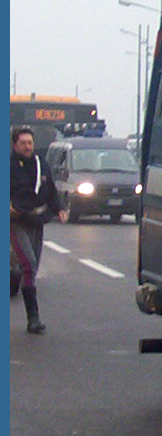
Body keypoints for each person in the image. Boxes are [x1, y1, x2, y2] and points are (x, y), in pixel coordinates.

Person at [10, 127, 67, 334]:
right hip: (16, 221)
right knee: (29, 264)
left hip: (37, 220)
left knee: (32, 267)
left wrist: (60, 208)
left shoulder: (40, 163)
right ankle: (33, 318)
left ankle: (32, 316)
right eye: (23, 143)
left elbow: (50, 189)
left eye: (30, 143)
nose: (27, 146)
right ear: (15, 144)